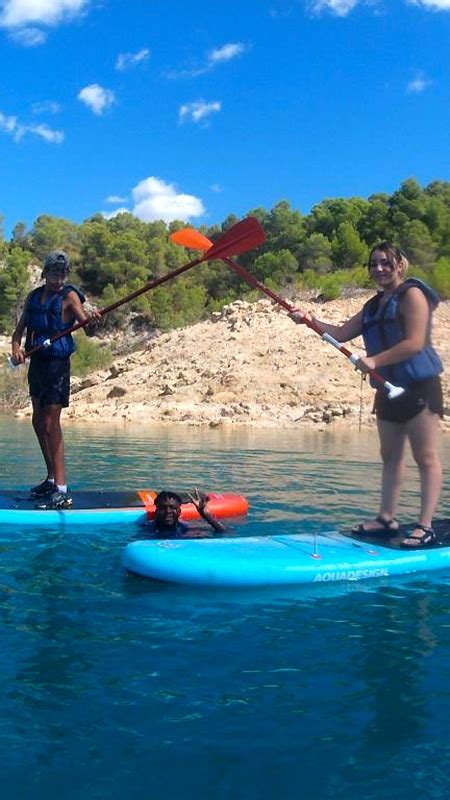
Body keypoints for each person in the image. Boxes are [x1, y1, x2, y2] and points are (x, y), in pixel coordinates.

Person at [290, 242, 444, 549]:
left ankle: (425, 526)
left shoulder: (413, 295)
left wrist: (374, 361)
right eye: (373, 264)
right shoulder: (373, 306)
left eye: (386, 263)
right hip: (388, 391)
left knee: (425, 457)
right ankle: (387, 518)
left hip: (419, 387)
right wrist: (308, 319)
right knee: (390, 456)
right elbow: (341, 333)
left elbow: (414, 343)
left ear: (400, 265)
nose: (379, 269)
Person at [10, 250, 102, 510]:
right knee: (38, 421)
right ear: (45, 273)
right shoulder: (33, 297)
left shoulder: (70, 296)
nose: (59, 277)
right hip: (37, 365)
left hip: (57, 366)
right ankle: (51, 479)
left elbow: (89, 329)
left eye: (63, 272)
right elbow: (19, 334)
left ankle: (62, 489)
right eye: (54, 272)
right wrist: (16, 350)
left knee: (51, 423)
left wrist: (94, 322)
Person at [143, 489, 226, 538]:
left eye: (172, 508)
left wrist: (207, 516)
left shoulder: (185, 529)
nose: (168, 511)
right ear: (156, 511)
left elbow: (223, 533)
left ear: (179, 512)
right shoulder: (146, 529)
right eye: (163, 508)